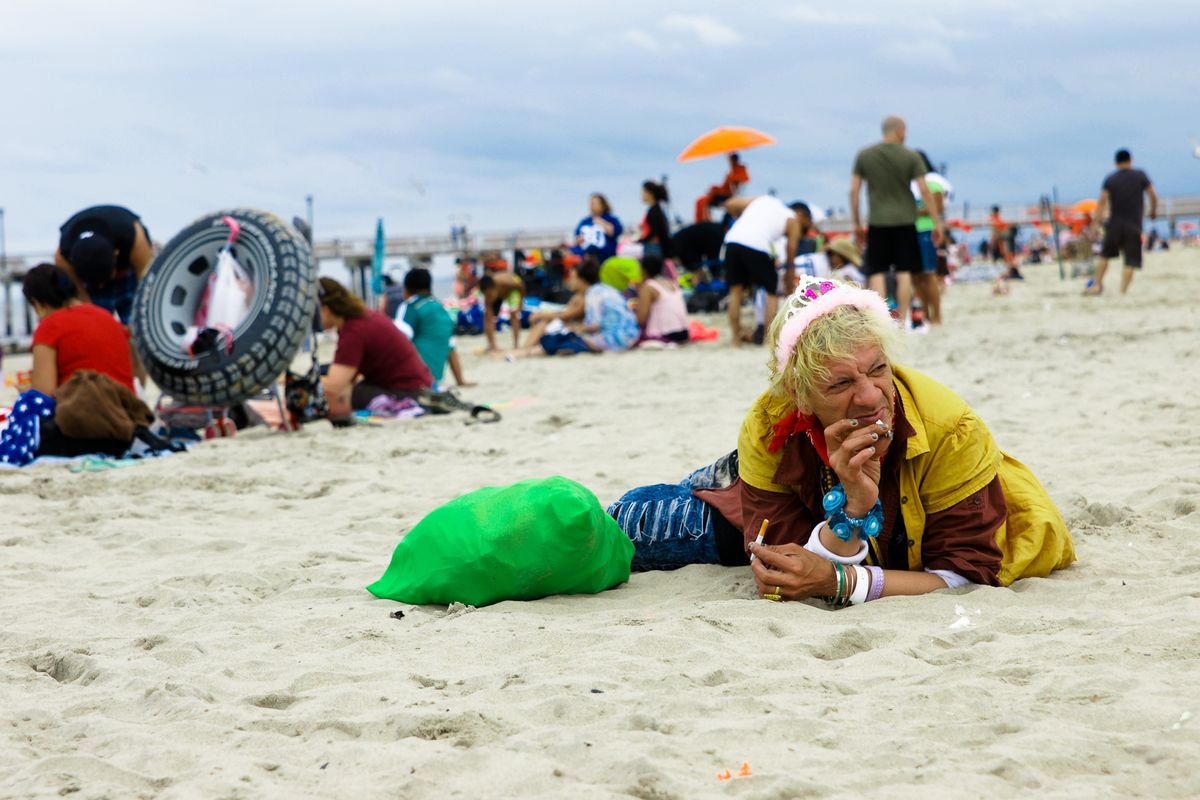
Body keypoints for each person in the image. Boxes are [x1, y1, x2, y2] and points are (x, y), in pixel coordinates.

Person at [607, 275, 1076, 601]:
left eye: (878, 370)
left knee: (643, 524)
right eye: (841, 383)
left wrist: (841, 581)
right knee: (632, 520)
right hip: (777, 479)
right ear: (800, 395)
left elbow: (967, 576)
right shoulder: (770, 423)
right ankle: (715, 481)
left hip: (900, 519)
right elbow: (784, 565)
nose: (872, 398)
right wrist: (851, 510)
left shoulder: (953, 432)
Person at [849, 116, 945, 328]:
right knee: (904, 273)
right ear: (900, 131)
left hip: (877, 221)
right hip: (905, 221)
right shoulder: (910, 156)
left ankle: (880, 320)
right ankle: (902, 320)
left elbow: (854, 191)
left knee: (876, 272)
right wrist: (937, 223)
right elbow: (925, 192)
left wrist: (856, 222)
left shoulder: (865, 155)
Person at [318, 277, 432, 417]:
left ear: (325, 309)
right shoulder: (361, 319)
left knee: (344, 394)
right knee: (327, 374)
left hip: (408, 393)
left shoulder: (354, 329)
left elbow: (336, 385)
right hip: (420, 387)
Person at [23, 264, 134, 396]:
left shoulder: (49, 327)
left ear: (37, 303)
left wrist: (26, 393)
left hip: (83, 410)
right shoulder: (106, 317)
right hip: (127, 408)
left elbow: (43, 394)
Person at [721, 195, 805, 347]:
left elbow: (729, 203)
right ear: (800, 214)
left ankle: (735, 340)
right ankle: (768, 338)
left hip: (732, 241)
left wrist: (742, 216)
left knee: (736, 291)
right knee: (771, 291)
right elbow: (790, 256)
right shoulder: (793, 219)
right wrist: (788, 284)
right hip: (757, 245)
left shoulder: (763, 200)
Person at [54, 205, 154, 325]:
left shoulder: (133, 237)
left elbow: (148, 285)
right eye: (97, 282)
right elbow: (82, 299)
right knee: (93, 323)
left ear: (116, 254)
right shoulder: (63, 255)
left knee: (140, 322)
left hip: (130, 273)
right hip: (90, 281)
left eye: (105, 278)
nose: (102, 285)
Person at [1086, 149, 1158, 295]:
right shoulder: (1140, 175)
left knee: (1104, 255)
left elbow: (1101, 203)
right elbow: (1153, 195)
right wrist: (1153, 211)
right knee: (1130, 260)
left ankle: (1097, 285)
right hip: (1134, 224)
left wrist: (1094, 224)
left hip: (1114, 223)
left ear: (1116, 163)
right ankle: (1122, 292)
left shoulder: (1111, 179)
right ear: (1130, 160)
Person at [535, 257, 640, 355]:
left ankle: (525, 352)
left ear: (582, 279)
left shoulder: (593, 293)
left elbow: (594, 325)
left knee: (557, 340)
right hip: (630, 338)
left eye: (573, 278)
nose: (570, 281)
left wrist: (576, 329)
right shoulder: (605, 290)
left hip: (614, 341)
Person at [399, 268, 471, 387]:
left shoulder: (410, 307)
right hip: (435, 383)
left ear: (406, 289)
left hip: (412, 381)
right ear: (429, 288)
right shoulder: (443, 311)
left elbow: (397, 342)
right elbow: (451, 349)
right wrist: (460, 381)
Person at [911, 150, 948, 324]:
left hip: (926, 231)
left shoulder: (933, 183)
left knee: (928, 274)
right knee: (916, 277)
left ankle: (937, 315)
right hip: (910, 231)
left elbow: (939, 208)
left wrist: (912, 210)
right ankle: (926, 313)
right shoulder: (909, 184)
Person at [636, 255, 689, 344]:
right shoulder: (671, 283)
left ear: (644, 270)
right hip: (683, 332)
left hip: (665, 333)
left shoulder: (648, 286)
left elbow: (642, 319)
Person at [478, 271, 526, 352]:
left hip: (512, 289)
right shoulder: (486, 295)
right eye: (487, 295)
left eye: (490, 295)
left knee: (514, 314)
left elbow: (521, 285)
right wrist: (493, 346)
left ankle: (516, 344)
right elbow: (488, 320)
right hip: (498, 294)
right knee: (488, 317)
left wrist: (521, 301)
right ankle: (492, 345)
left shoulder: (504, 282)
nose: (489, 298)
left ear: (494, 288)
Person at [695, 153, 750, 223]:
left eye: (731, 160)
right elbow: (725, 186)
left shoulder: (738, 171)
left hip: (726, 196)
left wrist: (733, 181)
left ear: (734, 160)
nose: (730, 162)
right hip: (723, 194)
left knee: (703, 201)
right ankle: (706, 220)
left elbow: (736, 187)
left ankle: (705, 221)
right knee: (701, 200)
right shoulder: (732, 171)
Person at [574, 194, 623, 264]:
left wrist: (602, 223)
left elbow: (616, 231)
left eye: (594, 203)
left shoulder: (611, 219)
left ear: (603, 205)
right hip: (589, 259)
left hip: (607, 257)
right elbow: (577, 237)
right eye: (591, 203)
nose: (592, 205)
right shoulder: (585, 221)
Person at [638, 181, 673, 261]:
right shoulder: (656, 209)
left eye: (643, 192)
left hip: (653, 247)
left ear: (650, 193)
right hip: (654, 247)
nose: (641, 195)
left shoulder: (654, 210)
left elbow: (654, 232)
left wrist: (640, 241)